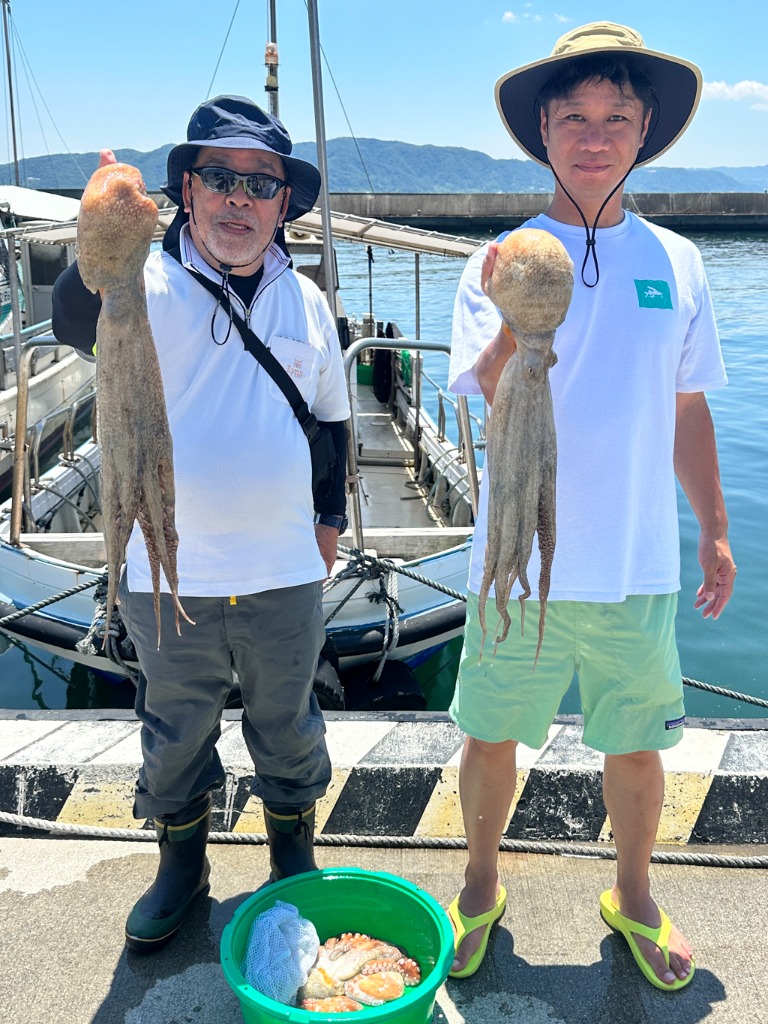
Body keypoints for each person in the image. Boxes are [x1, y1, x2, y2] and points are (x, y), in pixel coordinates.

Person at [447, 23, 735, 990]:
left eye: (617, 117)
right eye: (574, 116)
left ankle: (634, 893)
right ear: (543, 129)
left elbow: (687, 409)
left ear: (646, 128)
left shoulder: (678, 261)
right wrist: (516, 314)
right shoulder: (495, 257)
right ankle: (480, 883)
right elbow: (490, 392)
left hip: (636, 560)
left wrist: (716, 530)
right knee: (490, 733)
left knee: (639, 746)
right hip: (513, 562)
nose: (596, 137)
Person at [52, 95, 351, 951]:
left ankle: (292, 854)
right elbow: (72, 317)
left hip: (284, 570)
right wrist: (102, 233)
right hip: (163, 572)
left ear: (283, 204)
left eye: (261, 184)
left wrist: (330, 519)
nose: (238, 199)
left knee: (289, 725)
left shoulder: (306, 301)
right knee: (175, 731)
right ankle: (182, 864)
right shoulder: (139, 282)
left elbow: (331, 422)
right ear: (186, 190)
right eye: (220, 178)